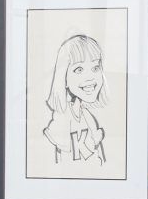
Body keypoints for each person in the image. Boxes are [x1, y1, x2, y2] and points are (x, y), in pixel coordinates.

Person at [42, 34, 108, 166]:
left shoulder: (87, 116)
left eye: (95, 68)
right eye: (79, 69)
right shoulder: (62, 116)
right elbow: (63, 161)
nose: (90, 77)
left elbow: (99, 160)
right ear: (64, 78)